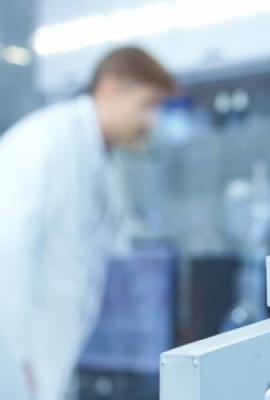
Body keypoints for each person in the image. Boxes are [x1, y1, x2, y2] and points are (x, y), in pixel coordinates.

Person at [0, 46, 175, 400]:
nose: (151, 121)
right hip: (20, 361)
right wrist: (17, 364)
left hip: (55, 355)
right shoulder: (44, 142)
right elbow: (7, 254)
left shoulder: (100, 157)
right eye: (148, 104)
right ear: (109, 88)